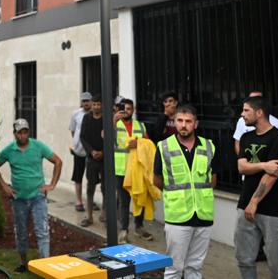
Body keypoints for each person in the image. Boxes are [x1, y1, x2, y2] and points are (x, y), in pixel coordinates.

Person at [154, 104, 219, 279]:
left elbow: (213, 179)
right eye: (180, 121)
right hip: (177, 216)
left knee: (195, 267)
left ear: (195, 124)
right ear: (174, 122)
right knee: (174, 268)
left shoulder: (209, 146)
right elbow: (157, 180)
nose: (183, 125)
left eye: (188, 121)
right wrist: (175, 194)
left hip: (203, 215)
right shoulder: (164, 146)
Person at [0, 118, 62, 273]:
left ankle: (45, 266)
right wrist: (4, 186)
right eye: (19, 133)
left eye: (25, 132)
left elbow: (58, 161)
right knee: (21, 232)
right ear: (14, 134)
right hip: (19, 199)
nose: (22, 135)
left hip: (38, 197)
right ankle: (23, 263)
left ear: (28, 132)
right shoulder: (9, 150)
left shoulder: (38, 146)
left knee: (42, 231)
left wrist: (52, 185)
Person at [235, 95, 278, 279]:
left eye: (246, 110)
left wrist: (254, 202)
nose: (242, 114)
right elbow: (241, 167)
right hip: (245, 207)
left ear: (259, 112)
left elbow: (272, 174)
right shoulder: (246, 137)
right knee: (244, 259)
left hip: (274, 210)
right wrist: (263, 165)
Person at [113, 98, 152, 242]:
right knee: (124, 201)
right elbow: (106, 140)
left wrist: (139, 143)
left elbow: (149, 144)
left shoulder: (140, 126)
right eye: (123, 109)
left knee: (139, 198)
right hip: (121, 170)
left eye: (129, 109)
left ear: (133, 110)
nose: (126, 112)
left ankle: (139, 227)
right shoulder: (114, 124)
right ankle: (124, 230)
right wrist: (113, 121)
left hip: (137, 169)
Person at [79, 93, 105, 226]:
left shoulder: (107, 119)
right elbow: (82, 137)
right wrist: (91, 151)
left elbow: (112, 138)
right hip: (91, 159)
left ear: (102, 105)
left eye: (98, 104)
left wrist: (103, 152)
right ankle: (89, 216)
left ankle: (104, 215)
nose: (96, 107)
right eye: (94, 104)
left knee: (106, 188)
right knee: (90, 187)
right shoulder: (87, 118)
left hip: (105, 159)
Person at [68, 92, 92, 212]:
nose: (86, 103)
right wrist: (76, 143)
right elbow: (73, 131)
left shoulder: (95, 114)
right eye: (84, 101)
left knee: (91, 177)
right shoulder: (76, 114)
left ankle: (90, 200)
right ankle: (79, 201)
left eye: (87, 101)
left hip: (91, 151)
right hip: (79, 150)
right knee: (78, 176)